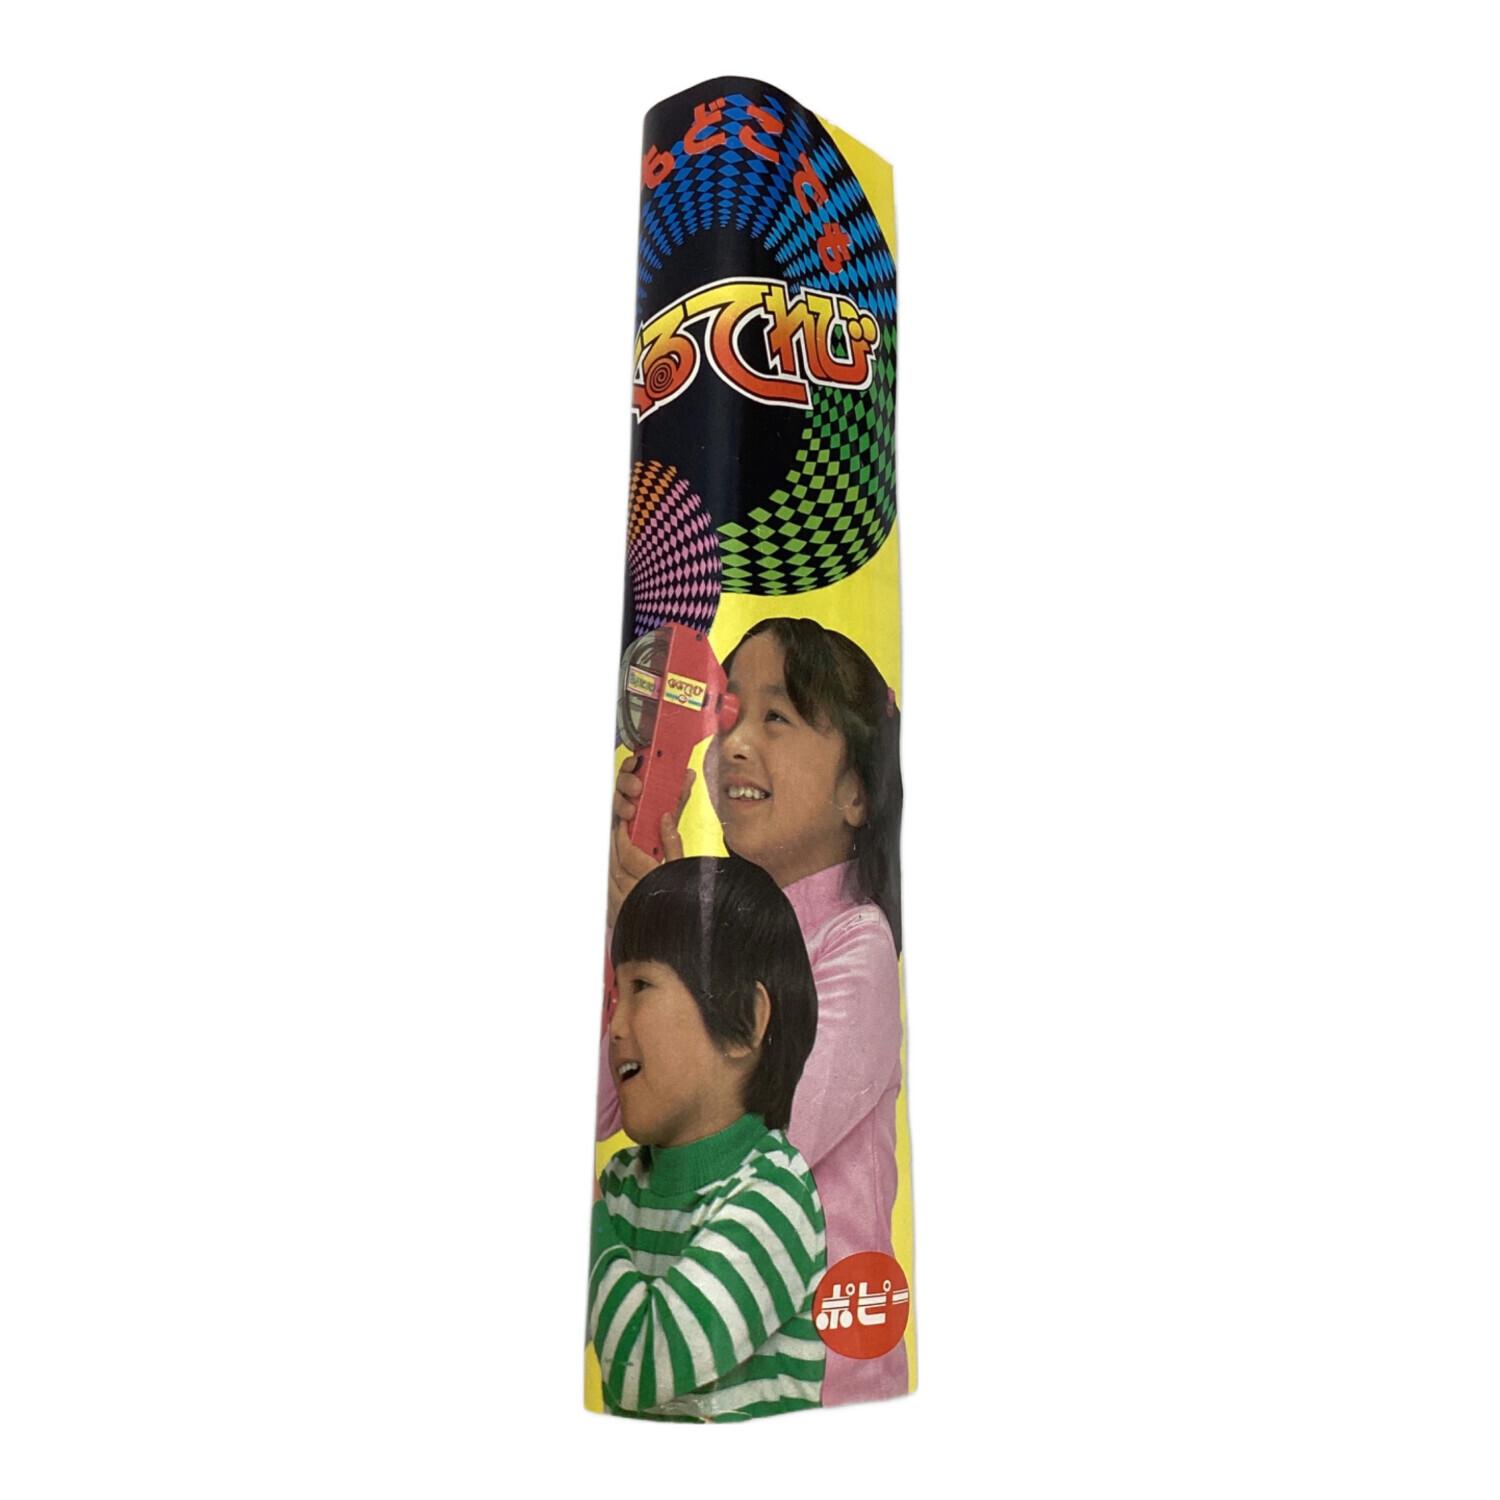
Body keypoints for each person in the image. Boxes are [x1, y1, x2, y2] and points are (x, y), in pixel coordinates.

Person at [601, 617, 907, 1405]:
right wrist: (628, 927)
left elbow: (751, 1139)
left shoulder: (857, 947)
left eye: (778, 717)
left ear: (857, 791)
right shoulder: (710, 916)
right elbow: (610, 1110)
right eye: (729, 712)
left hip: (825, 1389)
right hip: (685, 1377)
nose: (734, 742)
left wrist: (667, 947)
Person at [590, 856, 826, 1422]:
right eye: (614, 995)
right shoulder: (619, 1183)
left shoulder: (776, 1194)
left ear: (744, 1018)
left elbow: (643, 1364)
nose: (614, 1027)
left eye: (641, 986)